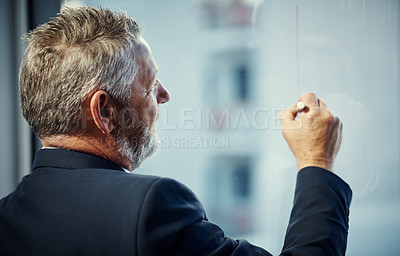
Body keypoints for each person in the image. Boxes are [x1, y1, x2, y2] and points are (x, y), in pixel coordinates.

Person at [0, 7, 352, 256]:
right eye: (151, 84)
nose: (165, 96)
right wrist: (315, 160)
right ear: (104, 111)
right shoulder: (149, 208)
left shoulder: (7, 217)